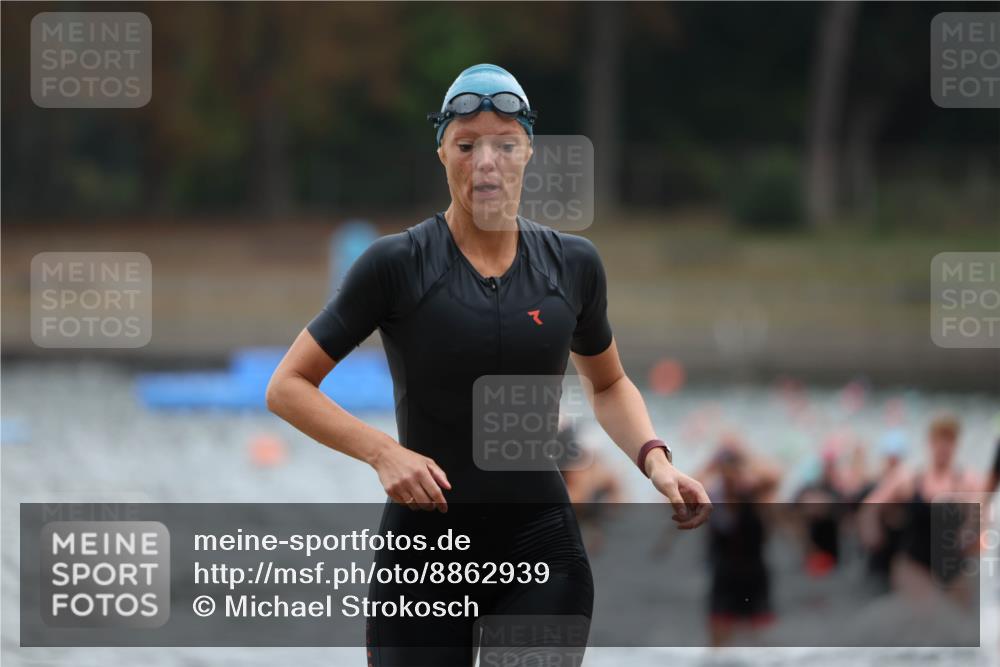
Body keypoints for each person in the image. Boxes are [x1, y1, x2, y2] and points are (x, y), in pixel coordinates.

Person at [266, 63, 712, 667]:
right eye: (467, 144)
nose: (485, 163)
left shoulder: (572, 265)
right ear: (442, 152)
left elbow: (608, 383)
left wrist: (657, 464)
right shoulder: (396, 264)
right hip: (422, 553)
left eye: (504, 144)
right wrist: (383, 453)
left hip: (539, 547)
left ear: (529, 151)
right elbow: (288, 386)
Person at [860, 414, 983, 601]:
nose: (943, 447)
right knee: (931, 609)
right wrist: (871, 529)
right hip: (913, 563)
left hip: (952, 565)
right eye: (938, 440)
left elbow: (982, 518)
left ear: (956, 444)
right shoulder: (910, 478)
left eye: (948, 441)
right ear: (930, 442)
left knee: (963, 620)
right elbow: (870, 506)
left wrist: (972, 532)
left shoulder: (967, 481)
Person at [694, 432, 782, 647]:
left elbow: (775, 476)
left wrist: (744, 454)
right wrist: (712, 462)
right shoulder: (712, 494)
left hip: (754, 571)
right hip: (723, 571)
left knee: (759, 638)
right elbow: (679, 490)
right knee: (719, 636)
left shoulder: (755, 491)